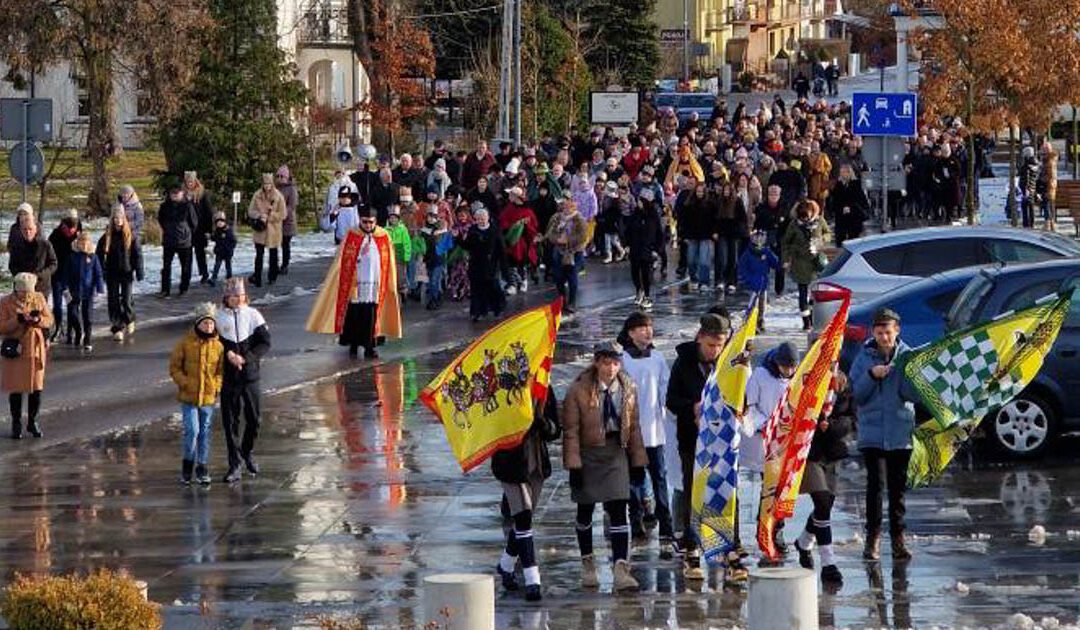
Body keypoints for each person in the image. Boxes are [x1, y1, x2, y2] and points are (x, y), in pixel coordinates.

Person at [563, 342, 647, 592]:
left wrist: (637, 461)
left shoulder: (627, 387)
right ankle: (588, 562)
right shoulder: (578, 390)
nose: (611, 368)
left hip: (615, 453)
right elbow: (570, 431)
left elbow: (633, 427)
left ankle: (621, 568)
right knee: (585, 511)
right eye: (606, 363)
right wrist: (574, 466)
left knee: (619, 509)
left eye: (615, 363)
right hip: (589, 454)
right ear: (597, 362)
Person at [849, 307, 919, 562]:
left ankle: (898, 538)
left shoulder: (908, 356)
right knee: (875, 487)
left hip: (900, 433)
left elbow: (915, 395)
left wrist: (902, 375)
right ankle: (873, 539)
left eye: (888, 332)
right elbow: (857, 394)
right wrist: (872, 375)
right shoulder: (864, 358)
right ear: (873, 333)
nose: (884, 338)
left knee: (897, 490)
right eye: (879, 333)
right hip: (872, 433)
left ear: (896, 331)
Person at [666, 313, 731, 580]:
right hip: (692, 440)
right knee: (694, 493)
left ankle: (722, 547)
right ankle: (691, 548)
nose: (715, 351)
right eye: (711, 345)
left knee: (722, 493)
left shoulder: (727, 364)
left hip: (721, 441)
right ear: (700, 338)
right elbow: (671, 400)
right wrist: (690, 406)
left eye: (720, 345)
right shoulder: (683, 364)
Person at [492, 386, 561, 601]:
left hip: (536, 464)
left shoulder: (544, 387)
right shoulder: (501, 387)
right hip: (509, 464)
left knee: (524, 520)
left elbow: (555, 430)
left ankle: (505, 565)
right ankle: (533, 578)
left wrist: (543, 424)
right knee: (522, 519)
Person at [306, 205, 403, 358]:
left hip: (375, 283)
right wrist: (359, 254)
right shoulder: (352, 234)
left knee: (371, 314)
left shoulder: (383, 235)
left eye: (371, 222)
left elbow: (388, 261)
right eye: (365, 222)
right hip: (356, 282)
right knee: (355, 314)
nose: (368, 226)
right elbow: (343, 260)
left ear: (376, 221)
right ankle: (353, 344)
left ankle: (370, 346)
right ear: (360, 220)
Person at [618, 313, 675, 557]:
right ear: (630, 333)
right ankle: (637, 523)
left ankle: (666, 526)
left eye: (650, 327)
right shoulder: (622, 360)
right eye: (641, 328)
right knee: (634, 479)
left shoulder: (658, 358)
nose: (647, 332)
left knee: (659, 478)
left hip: (655, 429)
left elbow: (666, 389)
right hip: (632, 430)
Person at [794, 368, 851, 587]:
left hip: (832, 453)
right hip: (811, 454)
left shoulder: (843, 390)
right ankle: (829, 563)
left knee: (826, 505)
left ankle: (804, 541)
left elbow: (849, 420)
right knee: (822, 501)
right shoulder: (807, 385)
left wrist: (833, 426)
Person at [742, 342, 799, 556]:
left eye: (793, 367)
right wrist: (765, 424)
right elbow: (750, 406)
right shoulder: (760, 375)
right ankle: (764, 526)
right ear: (777, 363)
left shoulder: (796, 376)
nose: (789, 371)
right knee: (770, 488)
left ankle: (778, 529)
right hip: (766, 442)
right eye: (786, 367)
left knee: (784, 488)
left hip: (788, 442)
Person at [216, 278, 272, 483]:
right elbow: (214, 343)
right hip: (229, 378)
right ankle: (234, 464)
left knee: (254, 419)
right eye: (233, 296)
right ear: (226, 297)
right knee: (230, 421)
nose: (237, 300)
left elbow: (265, 342)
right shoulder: (218, 317)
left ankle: (246, 451)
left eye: (240, 296)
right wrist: (228, 354)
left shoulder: (253, 315)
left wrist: (246, 358)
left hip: (250, 376)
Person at [169, 302, 224, 487]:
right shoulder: (185, 343)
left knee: (204, 432)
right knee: (192, 431)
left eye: (211, 323)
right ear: (197, 324)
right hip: (189, 397)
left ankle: (202, 467)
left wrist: (216, 386)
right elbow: (175, 367)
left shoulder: (218, 346)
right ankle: (187, 465)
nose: (208, 327)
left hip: (208, 397)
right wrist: (185, 383)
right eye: (205, 323)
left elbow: (220, 371)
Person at [1, 272, 53, 439]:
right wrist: (18, 320)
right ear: (16, 290)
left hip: (35, 349)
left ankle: (33, 421)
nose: (26, 295)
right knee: (16, 388)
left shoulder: (38, 298)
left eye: (29, 291)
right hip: (17, 349)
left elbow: (49, 319)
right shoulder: (5, 303)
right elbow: (2, 327)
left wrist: (38, 321)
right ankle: (16, 422)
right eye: (23, 292)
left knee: (36, 388)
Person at [782, 199, 832, 331]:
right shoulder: (794, 224)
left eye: (807, 217)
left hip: (816, 261)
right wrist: (787, 259)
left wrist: (820, 240)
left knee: (816, 293)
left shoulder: (820, 221)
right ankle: (806, 322)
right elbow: (786, 242)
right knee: (803, 292)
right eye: (802, 217)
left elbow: (828, 234)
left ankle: (814, 317)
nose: (804, 220)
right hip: (800, 262)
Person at [97, 205, 143, 341]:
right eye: (115, 218)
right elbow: (99, 255)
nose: (118, 220)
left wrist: (139, 271)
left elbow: (137, 255)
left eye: (120, 218)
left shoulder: (130, 236)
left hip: (127, 272)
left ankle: (129, 318)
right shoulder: (106, 237)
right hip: (112, 273)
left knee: (127, 299)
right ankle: (117, 326)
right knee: (113, 301)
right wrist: (101, 271)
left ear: (124, 219)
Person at [460, 206, 506, 322]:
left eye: (483, 218)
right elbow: (467, 245)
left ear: (488, 218)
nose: (481, 221)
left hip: (491, 265)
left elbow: (501, 248)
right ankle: (478, 312)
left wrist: (503, 265)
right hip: (476, 264)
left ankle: (497, 308)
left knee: (493, 287)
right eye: (478, 219)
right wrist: (458, 239)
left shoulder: (495, 230)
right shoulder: (473, 230)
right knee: (477, 289)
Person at [545, 198, 588, 314]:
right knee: (558, 277)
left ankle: (572, 302)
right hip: (559, 250)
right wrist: (557, 239)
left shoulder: (580, 220)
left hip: (574, 252)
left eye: (569, 207)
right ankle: (562, 300)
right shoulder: (556, 218)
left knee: (572, 275)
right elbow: (550, 232)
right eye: (564, 207)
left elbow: (582, 236)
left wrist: (568, 240)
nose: (566, 209)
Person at [65, 232, 104, 352]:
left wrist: (99, 287)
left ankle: (87, 339)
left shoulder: (93, 257)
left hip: (88, 291)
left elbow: (98, 274)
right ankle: (78, 330)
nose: (83, 244)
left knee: (88, 316)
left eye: (86, 241)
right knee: (72, 313)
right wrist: (65, 288)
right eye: (81, 241)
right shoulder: (72, 256)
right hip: (74, 290)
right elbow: (66, 274)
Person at [47, 209, 82, 340]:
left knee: (72, 304)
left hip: (73, 277)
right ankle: (58, 327)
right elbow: (49, 254)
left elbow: (86, 251)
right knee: (57, 304)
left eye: (74, 227)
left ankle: (71, 329)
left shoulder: (79, 235)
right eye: (69, 227)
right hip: (58, 275)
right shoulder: (55, 235)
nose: (71, 231)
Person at [158, 184, 198, 298]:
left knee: (185, 267)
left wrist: (185, 232)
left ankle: (184, 289)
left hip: (184, 241)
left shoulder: (187, 206)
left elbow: (194, 223)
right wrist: (167, 229)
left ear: (182, 193)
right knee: (166, 267)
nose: (175, 195)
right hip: (169, 240)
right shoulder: (164, 206)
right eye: (173, 193)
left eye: (177, 193)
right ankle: (165, 290)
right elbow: (161, 220)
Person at [737, 230, 781, 332]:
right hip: (752, 286)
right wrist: (747, 280)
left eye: (761, 237)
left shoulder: (766, 251)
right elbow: (742, 269)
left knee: (762, 305)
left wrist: (780, 262)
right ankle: (750, 323)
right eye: (756, 237)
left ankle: (760, 321)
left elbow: (775, 264)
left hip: (763, 285)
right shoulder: (747, 253)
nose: (759, 240)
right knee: (752, 305)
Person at [625, 188, 662, 309]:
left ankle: (647, 295)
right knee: (634, 271)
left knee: (646, 272)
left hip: (648, 248)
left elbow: (659, 233)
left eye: (641, 201)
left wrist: (657, 249)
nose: (638, 203)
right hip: (635, 247)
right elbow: (628, 230)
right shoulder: (635, 214)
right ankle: (638, 290)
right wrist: (627, 244)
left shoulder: (653, 215)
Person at [248, 173, 287, 287]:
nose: (267, 186)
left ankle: (272, 276)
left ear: (272, 184)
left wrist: (270, 216)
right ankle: (257, 277)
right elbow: (251, 211)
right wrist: (260, 215)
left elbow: (283, 214)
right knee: (259, 255)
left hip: (273, 230)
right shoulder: (257, 195)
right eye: (265, 184)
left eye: (269, 184)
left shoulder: (278, 196)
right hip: (260, 229)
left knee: (273, 255)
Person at [500, 187, 539, 295]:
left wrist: (525, 225)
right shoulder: (508, 208)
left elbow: (533, 227)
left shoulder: (527, 211)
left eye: (511, 195)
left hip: (522, 243)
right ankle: (513, 284)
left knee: (521, 263)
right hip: (510, 241)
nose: (509, 197)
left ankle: (523, 281)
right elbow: (503, 222)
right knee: (511, 264)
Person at [183, 171, 215, 284]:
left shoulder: (202, 193)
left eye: (191, 181)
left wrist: (209, 230)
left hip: (199, 228)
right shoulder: (183, 194)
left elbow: (208, 212)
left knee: (200, 252)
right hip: (186, 229)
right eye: (187, 181)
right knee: (187, 253)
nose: (189, 184)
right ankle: (186, 275)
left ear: (195, 181)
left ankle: (204, 273)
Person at [418, 208, 452, 310]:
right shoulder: (424, 230)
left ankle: (434, 299)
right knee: (430, 280)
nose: (431, 219)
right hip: (428, 258)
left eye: (433, 217)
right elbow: (420, 244)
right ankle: (436, 297)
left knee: (434, 280)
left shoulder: (442, 230)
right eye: (429, 217)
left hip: (438, 258)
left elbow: (447, 244)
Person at [829, 163, 869, 246]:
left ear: (849, 173)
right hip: (841, 216)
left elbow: (861, 200)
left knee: (854, 239)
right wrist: (841, 208)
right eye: (841, 172)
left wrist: (850, 207)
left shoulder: (857, 184)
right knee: (840, 239)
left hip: (854, 215)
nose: (843, 174)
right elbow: (835, 200)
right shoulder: (838, 185)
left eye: (845, 172)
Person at [275, 165, 299, 275]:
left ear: (287, 177)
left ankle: (285, 265)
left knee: (285, 244)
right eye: (278, 176)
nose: (279, 178)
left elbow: (292, 205)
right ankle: (274, 264)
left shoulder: (291, 189)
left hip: (287, 222)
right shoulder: (275, 188)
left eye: (282, 176)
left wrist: (282, 214)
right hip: (275, 221)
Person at [385, 206, 412, 302]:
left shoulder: (402, 229)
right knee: (392, 275)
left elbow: (407, 243)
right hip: (390, 256)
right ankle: (394, 294)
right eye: (391, 218)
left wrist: (407, 255)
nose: (393, 220)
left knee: (401, 275)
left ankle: (403, 291)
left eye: (395, 218)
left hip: (400, 255)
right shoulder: (386, 230)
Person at [210, 212, 237, 285]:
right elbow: (214, 239)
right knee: (217, 265)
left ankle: (229, 278)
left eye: (221, 222)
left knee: (228, 265)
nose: (219, 224)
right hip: (219, 251)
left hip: (227, 251)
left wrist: (230, 248)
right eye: (218, 223)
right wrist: (211, 236)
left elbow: (233, 241)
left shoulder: (228, 231)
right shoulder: (217, 231)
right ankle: (214, 278)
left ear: (224, 222)